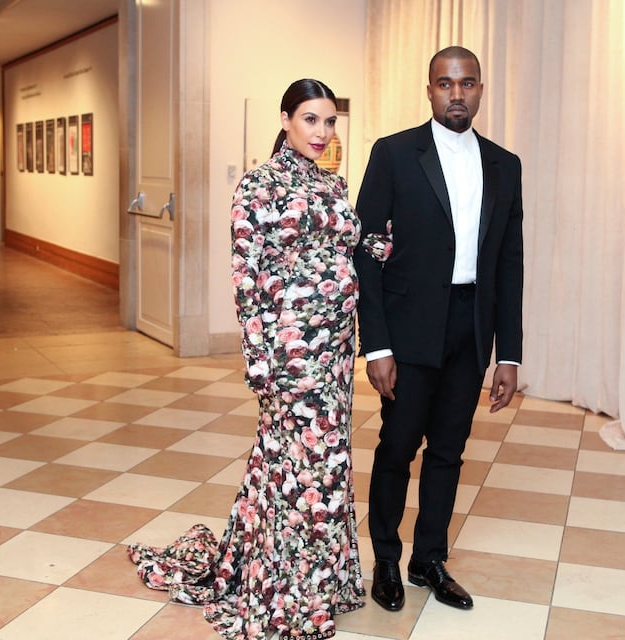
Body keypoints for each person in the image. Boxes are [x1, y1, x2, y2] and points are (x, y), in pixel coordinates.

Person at [128, 78, 365, 640]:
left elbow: (345, 245)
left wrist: (387, 245)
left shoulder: (331, 184)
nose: (322, 132)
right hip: (289, 353)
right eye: (311, 120)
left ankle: (320, 579)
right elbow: (248, 280)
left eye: (330, 122)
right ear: (286, 120)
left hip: (334, 349)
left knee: (306, 464)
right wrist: (260, 359)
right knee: (306, 467)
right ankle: (287, 591)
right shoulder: (258, 187)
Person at [353, 46, 524, 612]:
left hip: (470, 329)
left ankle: (429, 559)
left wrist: (509, 354)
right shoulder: (395, 154)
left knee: (449, 451)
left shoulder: (505, 164)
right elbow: (365, 255)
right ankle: (385, 560)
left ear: (481, 89)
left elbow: (509, 263)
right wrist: (376, 345)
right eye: (446, 84)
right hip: (408, 331)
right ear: (428, 90)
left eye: (467, 83)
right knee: (398, 446)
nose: (457, 94)